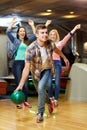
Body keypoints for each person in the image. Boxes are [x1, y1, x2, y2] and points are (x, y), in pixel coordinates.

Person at [15, 24, 69, 123]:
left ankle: (40, 113)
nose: (45, 35)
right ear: (36, 34)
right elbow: (26, 68)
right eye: (42, 33)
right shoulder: (30, 49)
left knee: (41, 88)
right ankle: (49, 102)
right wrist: (21, 84)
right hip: (35, 72)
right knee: (40, 90)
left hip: (48, 69)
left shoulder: (50, 43)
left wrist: (64, 58)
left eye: (46, 32)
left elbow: (57, 50)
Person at [47, 24, 81, 107]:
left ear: (56, 36)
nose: (52, 36)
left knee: (57, 82)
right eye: (51, 34)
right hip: (49, 64)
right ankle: (51, 97)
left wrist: (75, 28)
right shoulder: (46, 44)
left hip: (57, 63)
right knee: (49, 83)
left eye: (54, 34)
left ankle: (55, 99)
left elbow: (67, 36)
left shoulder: (60, 43)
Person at [6, 17, 36, 109]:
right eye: (21, 31)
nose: (22, 32)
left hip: (26, 63)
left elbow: (35, 35)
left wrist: (32, 25)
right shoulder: (15, 41)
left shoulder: (28, 41)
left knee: (26, 84)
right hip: (17, 64)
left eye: (24, 31)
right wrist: (12, 23)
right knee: (19, 83)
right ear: (18, 33)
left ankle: (25, 101)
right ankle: (18, 102)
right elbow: (7, 32)